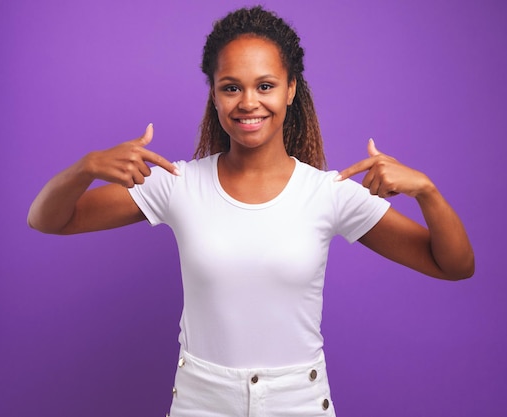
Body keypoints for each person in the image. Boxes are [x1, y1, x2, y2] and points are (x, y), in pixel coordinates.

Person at [28, 6, 474, 416]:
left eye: (265, 86)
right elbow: (48, 219)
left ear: (291, 88)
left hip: (298, 401)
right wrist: (85, 167)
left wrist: (428, 193)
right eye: (231, 88)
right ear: (215, 95)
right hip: (202, 401)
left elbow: (453, 265)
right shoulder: (178, 184)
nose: (248, 102)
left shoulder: (328, 192)